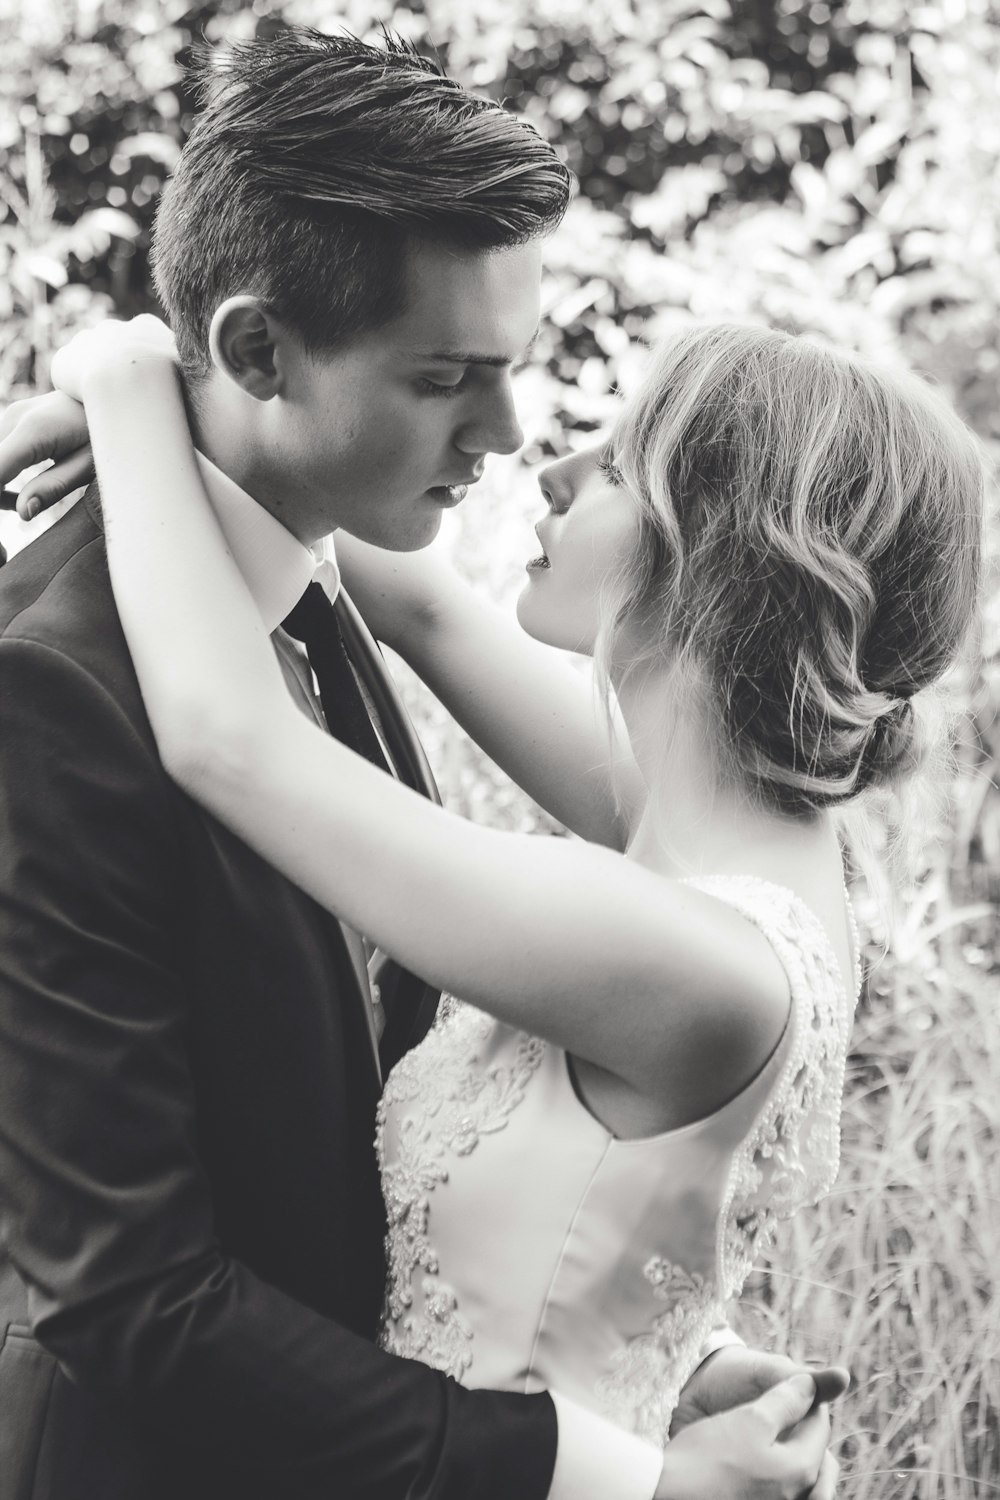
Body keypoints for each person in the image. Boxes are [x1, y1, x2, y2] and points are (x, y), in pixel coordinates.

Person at [0, 28, 848, 1500]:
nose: (512, 437)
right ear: (258, 348)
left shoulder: (328, 587)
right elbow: (137, 1300)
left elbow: (384, 1127)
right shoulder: (54, 688)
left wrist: (627, 1349)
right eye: (449, 376)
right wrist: (617, 1478)